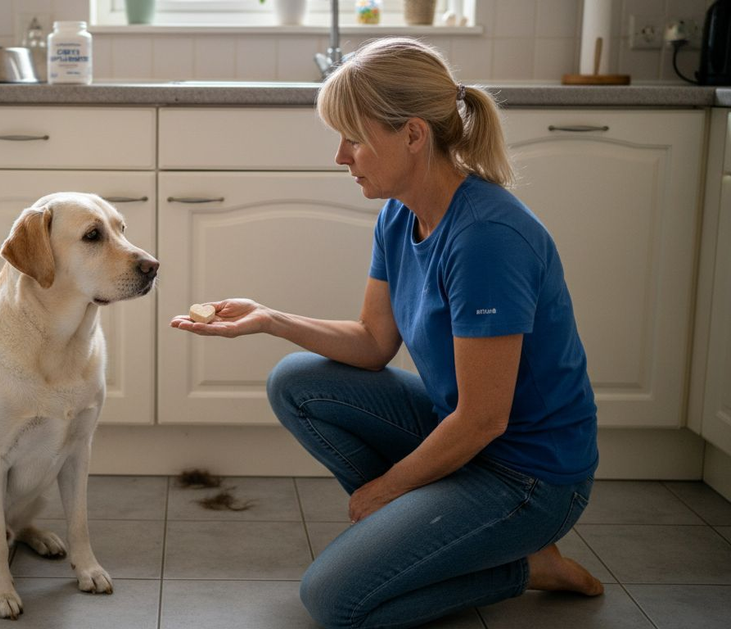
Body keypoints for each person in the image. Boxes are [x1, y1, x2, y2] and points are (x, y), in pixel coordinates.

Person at [170, 37, 603, 629]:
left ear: (413, 135)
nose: (341, 157)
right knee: (297, 380)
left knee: (335, 602)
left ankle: (526, 565)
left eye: (354, 137)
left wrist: (388, 490)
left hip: (529, 478)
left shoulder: (487, 240)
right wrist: (269, 319)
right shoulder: (401, 211)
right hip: (470, 441)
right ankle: (437, 528)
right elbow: (374, 343)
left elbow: (484, 420)